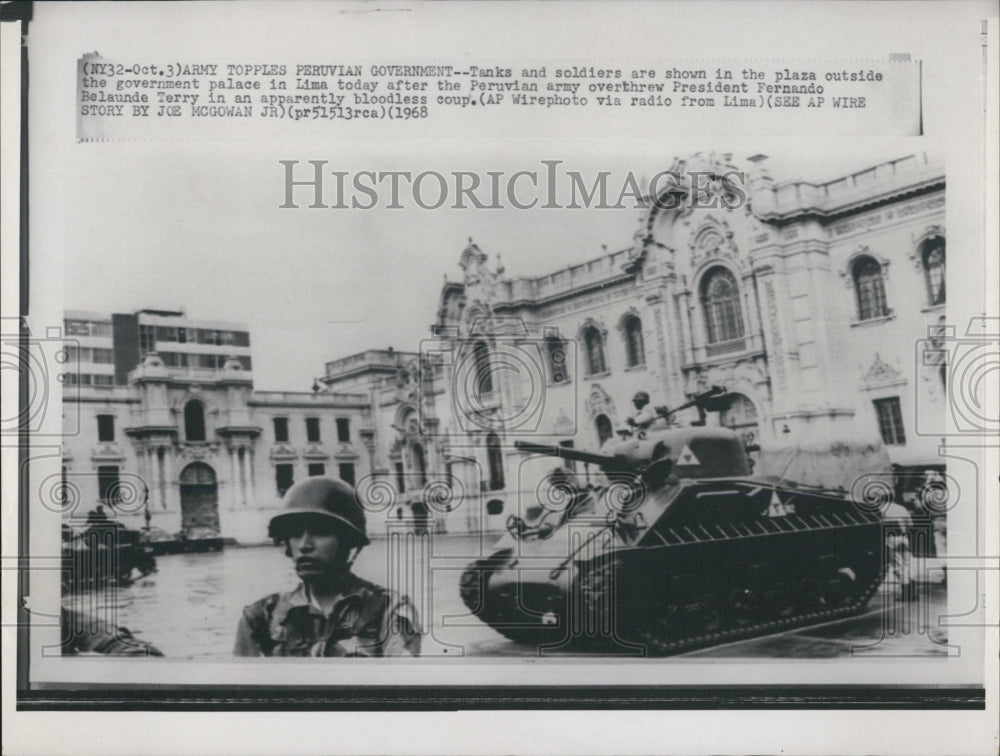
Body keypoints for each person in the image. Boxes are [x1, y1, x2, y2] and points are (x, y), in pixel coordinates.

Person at [234, 477, 421, 657]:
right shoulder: (261, 617)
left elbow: (400, 685)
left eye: (320, 531)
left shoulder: (388, 610)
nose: (304, 545)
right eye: (295, 533)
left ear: (347, 541)